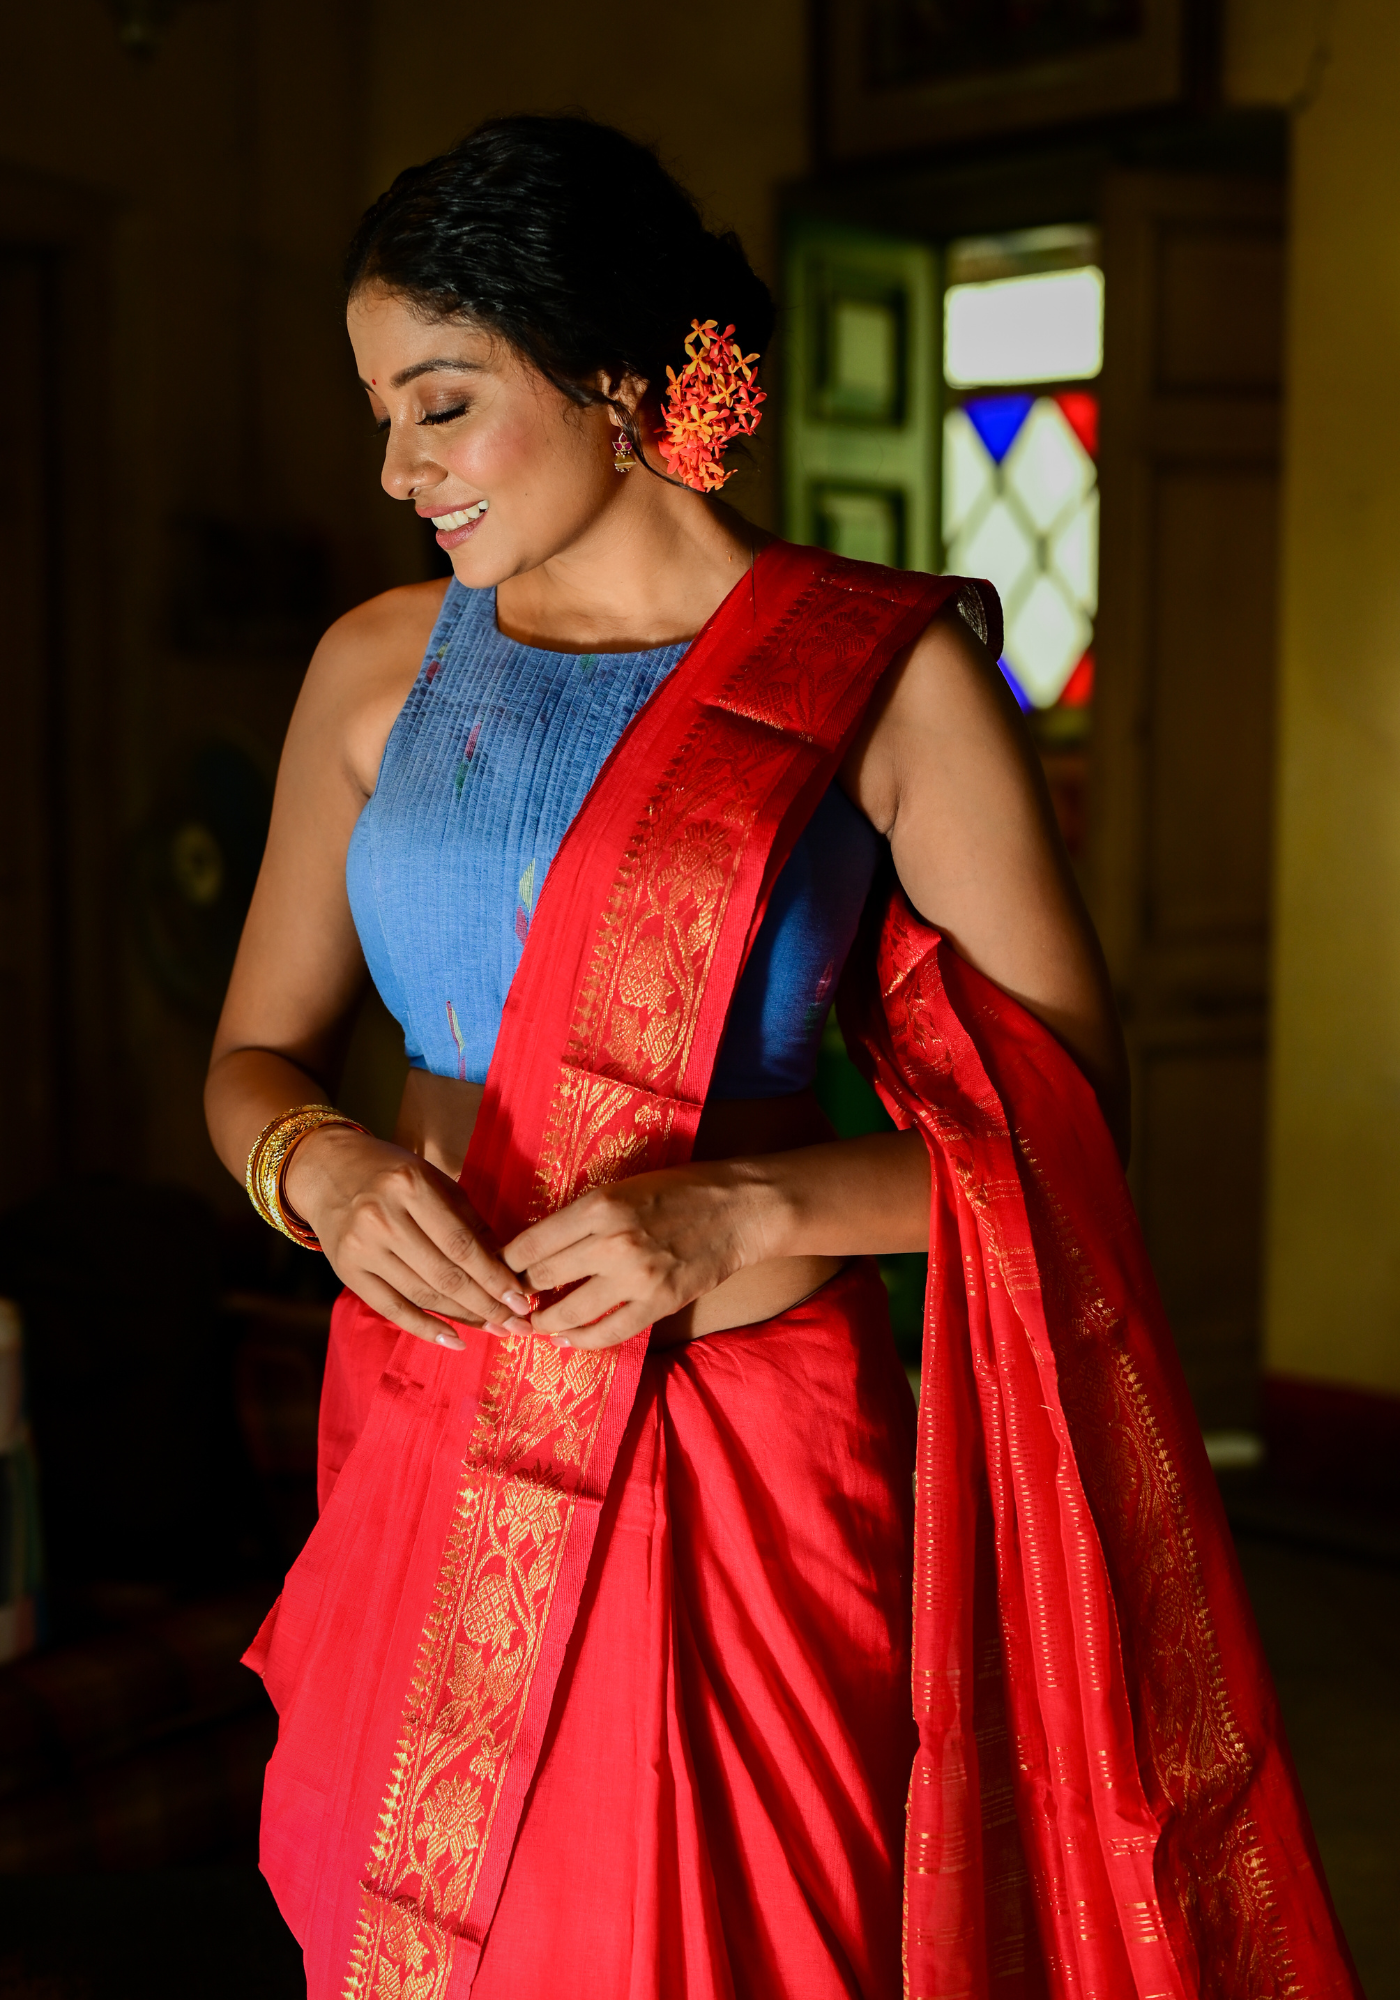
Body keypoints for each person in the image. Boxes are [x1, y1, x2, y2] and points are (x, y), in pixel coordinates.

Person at [205, 117, 1359, 2000]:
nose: (400, 469)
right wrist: (312, 1167)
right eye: (382, 413)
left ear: (620, 379)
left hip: (739, 1458)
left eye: (441, 404)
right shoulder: (372, 670)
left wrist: (735, 1209)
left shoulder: (877, 677)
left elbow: (1071, 1129)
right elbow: (254, 1053)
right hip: (420, 1436)